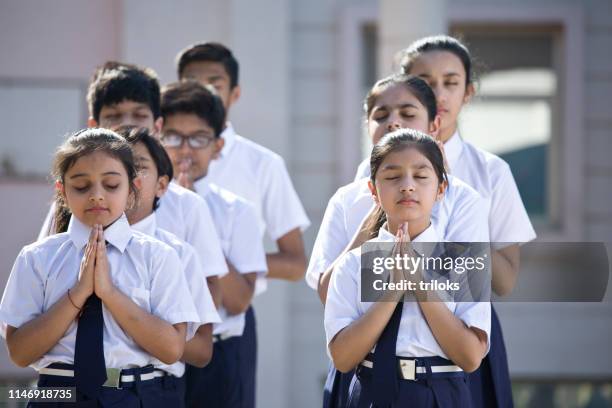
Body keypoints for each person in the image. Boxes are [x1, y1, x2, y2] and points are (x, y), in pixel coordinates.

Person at [306, 74, 488, 407]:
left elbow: (471, 356)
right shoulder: (353, 262)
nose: (407, 186)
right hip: (372, 389)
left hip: (442, 392)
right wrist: (392, 291)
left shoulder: (462, 260)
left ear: (441, 189)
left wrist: (419, 281)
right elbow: (344, 358)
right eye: (392, 177)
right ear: (373, 190)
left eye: (421, 176)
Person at [0, 128, 200, 406]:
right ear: (62, 190)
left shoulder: (158, 256)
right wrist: (79, 293)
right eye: (82, 186)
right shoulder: (37, 257)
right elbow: (19, 353)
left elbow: (171, 350)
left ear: (133, 188)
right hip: (57, 394)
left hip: (136, 393)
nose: (96, 195)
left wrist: (109, 294)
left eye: (111, 185)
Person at [399, 34, 537, 407]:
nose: (438, 94)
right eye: (425, 83)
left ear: (469, 93)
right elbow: (366, 267)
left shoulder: (490, 171)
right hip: (388, 330)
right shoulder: (376, 171)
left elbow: (505, 281)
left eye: (451, 82)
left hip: (466, 331)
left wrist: (456, 202)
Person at [176, 42, 310, 407]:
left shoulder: (261, 164)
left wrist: (236, 265)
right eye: (192, 81)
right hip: (162, 323)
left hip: (228, 323)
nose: (204, 90)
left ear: (234, 92)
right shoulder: (159, 159)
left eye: (214, 82)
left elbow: (297, 262)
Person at [37, 61, 228, 305]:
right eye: (113, 116)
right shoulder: (73, 203)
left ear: (158, 126)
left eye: (139, 115)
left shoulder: (187, 205)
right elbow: (42, 275)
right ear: (93, 126)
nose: (126, 125)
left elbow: (208, 296)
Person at [160, 80, 267, 407]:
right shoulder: (144, 206)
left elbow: (238, 301)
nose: (185, 149)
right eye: (174, 137)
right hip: (160, 350)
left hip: (221, 352)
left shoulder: (237, 210)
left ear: (218, 146)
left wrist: (198, 225)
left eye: (199, 139)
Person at [119, 126, 221, 375]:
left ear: (162, 185)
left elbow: (202, 350)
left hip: (150, 389)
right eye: (117, 167)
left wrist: (130, 321)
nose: (126, 176)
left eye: (139, 166)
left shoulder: (179, 254)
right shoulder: (68, 247)